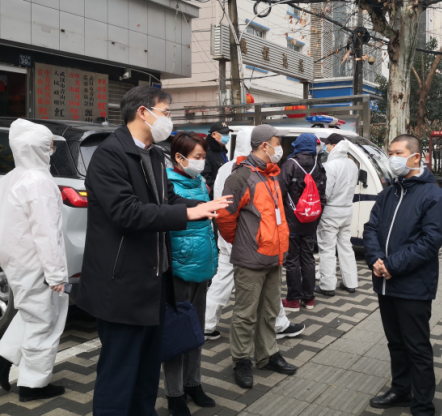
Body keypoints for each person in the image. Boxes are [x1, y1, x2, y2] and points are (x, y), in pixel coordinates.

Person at [76, 86, 231, 415]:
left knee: (147, 372)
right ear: (143, 112)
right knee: (119, 373)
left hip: (155, 280)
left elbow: (167, 199)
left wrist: (201, 205)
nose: (170, 120)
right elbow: (127, 212)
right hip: (121, 284)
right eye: (166, 112)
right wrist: (188, 214)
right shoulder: (110, 155)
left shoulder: (155, 155)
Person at [363, 135, 442, 414]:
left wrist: (392, 265)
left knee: (417, 347)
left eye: (398, 153)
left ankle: (423, 404)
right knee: (395, 343)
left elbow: (430, 242)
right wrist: (376, 259)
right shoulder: (388, 193)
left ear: (415, 157)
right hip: (385, 284)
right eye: (390, 152)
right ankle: (401, 389)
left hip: (413, 285)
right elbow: (370, 228)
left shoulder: (434, 196)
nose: (392, 158)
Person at [216, 124, 297, 389]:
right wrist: (243, 242)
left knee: (269, 310)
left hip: (274, 256)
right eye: (277, 143)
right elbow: (225, 217)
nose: (280, 148)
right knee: (245, 313)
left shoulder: (271, 174)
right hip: (251, 258)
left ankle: (267, 355)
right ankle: (241, 360)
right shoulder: (241, 176)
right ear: (264, 145)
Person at [204, 127, 305, 340]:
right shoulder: (243, 171)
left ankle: (206, 322)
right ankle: (276, 325)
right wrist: (239, 239)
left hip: (242, 239)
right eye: (276, 143)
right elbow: (228, 212)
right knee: (254, 290)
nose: (279, 148)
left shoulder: (232, 168)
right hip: (247, 240)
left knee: (228, 281)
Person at [0, 119, 69, 402]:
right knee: (44, 322)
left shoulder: (11, 177)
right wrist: (56, 274)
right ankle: (33, 385)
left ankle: (3, 359)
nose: (52, 148)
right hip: (38, 263)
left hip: (17, 261)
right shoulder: (39, 181)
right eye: (48, 144)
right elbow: (46, 233)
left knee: (30, 315)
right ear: (36, 147)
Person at [162, 132, 217, 415]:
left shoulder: (200, 183)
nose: (202, 162)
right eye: (197, 157)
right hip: (179, 269)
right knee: (176, 333)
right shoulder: (167, 184)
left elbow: (208, 227)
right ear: (179, 157)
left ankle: (193, 383)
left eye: (204, 156)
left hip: (202, 266)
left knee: (195, 331)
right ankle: (175, 393)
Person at [279, 133, 327, 311]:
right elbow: (322, 196)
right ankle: (309, 298)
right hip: (310, 221)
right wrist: (315, 219)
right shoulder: (319, 166)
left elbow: (279, 192)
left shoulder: (290, 164)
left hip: (292, 221)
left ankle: (293, 299)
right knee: (308, 258)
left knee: (292, 259)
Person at [314, 133, 359, 296]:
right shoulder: (352, 164)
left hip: (331, 212)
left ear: (334, 146)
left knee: (327, 249)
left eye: (328, 144)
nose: (325, 147)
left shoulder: (330, 166)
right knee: (346, 247)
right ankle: (350, 283)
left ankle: (327, 286)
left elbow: (325, 193)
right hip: (347, 210)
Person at [202, 121, 233, 197]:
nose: (227, 136)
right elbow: (205, 177)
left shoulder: (221, 149)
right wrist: (218, 193)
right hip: (215, 195)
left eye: (227, 133)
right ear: (214, 134)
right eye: (224, 133)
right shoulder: (207, 151)